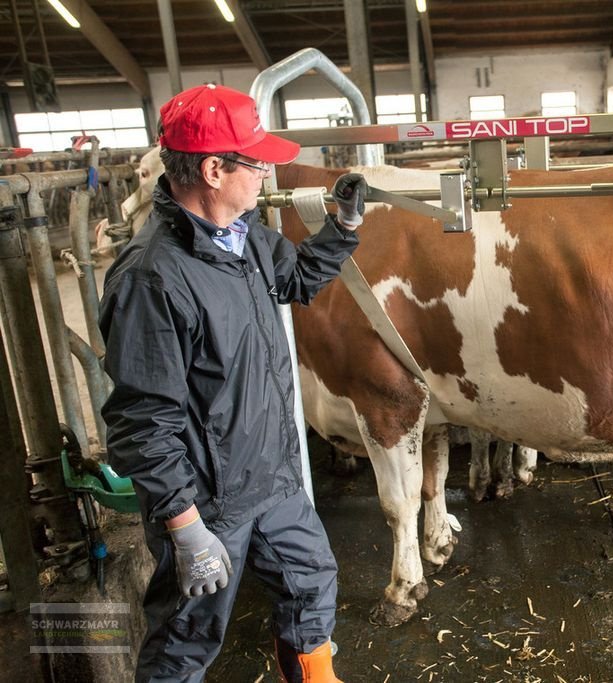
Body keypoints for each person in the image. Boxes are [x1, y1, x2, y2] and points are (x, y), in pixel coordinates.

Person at [99, 83, 367, 682]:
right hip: (207, 501)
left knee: (310, 584)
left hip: (272, 477)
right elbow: (142, 421)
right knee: (186, 640)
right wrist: (184, 526)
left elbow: (296, 278)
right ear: (214, 170)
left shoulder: (244, 239)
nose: (267, 172)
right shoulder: (152, 278)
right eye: (256, 161)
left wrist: (343, 228)